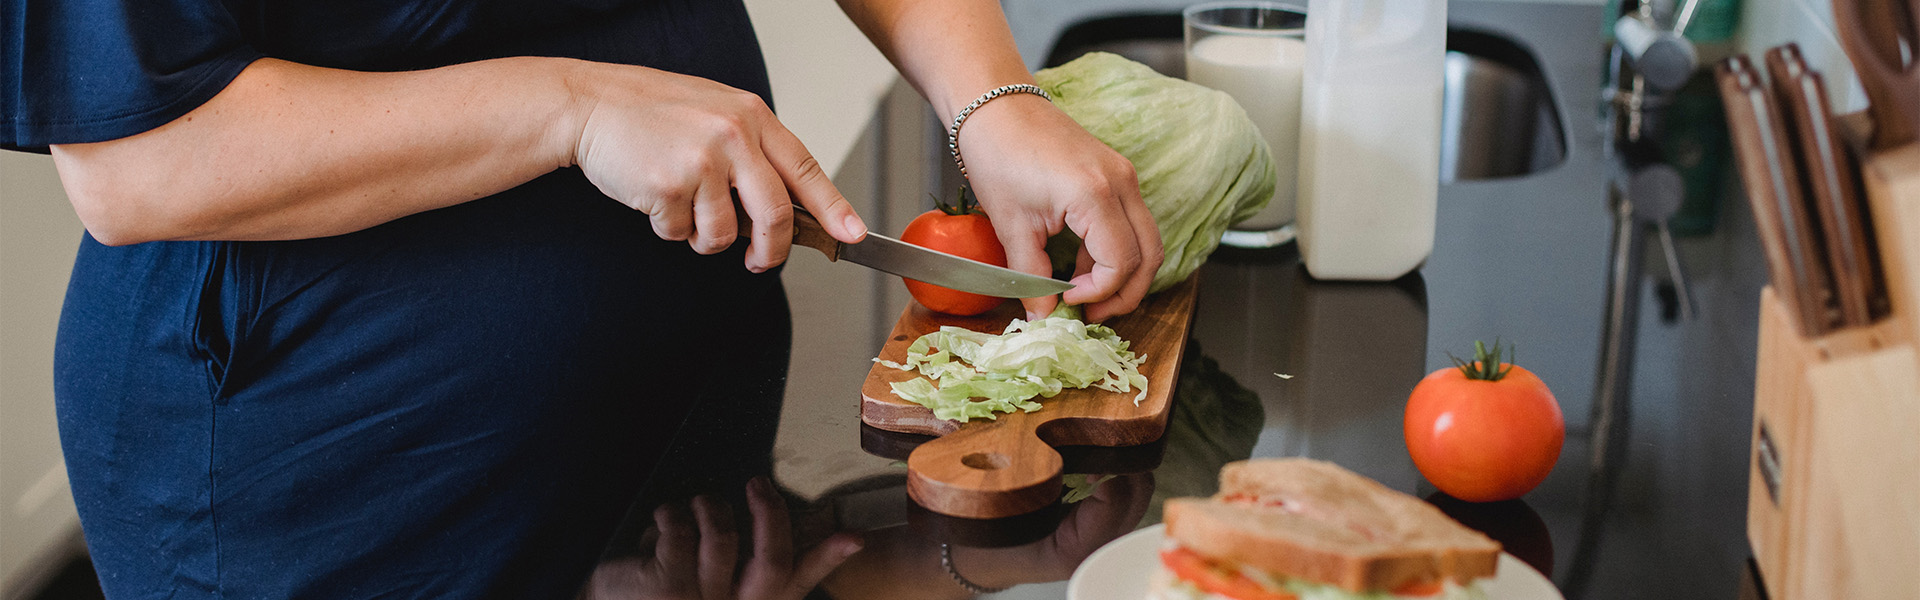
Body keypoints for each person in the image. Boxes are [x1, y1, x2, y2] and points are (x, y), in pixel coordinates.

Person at [2, 0, 1164, 597]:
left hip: (677, 450)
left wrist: (992, 98)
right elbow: (137, 161)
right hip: (342, 489)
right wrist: (576, 109)